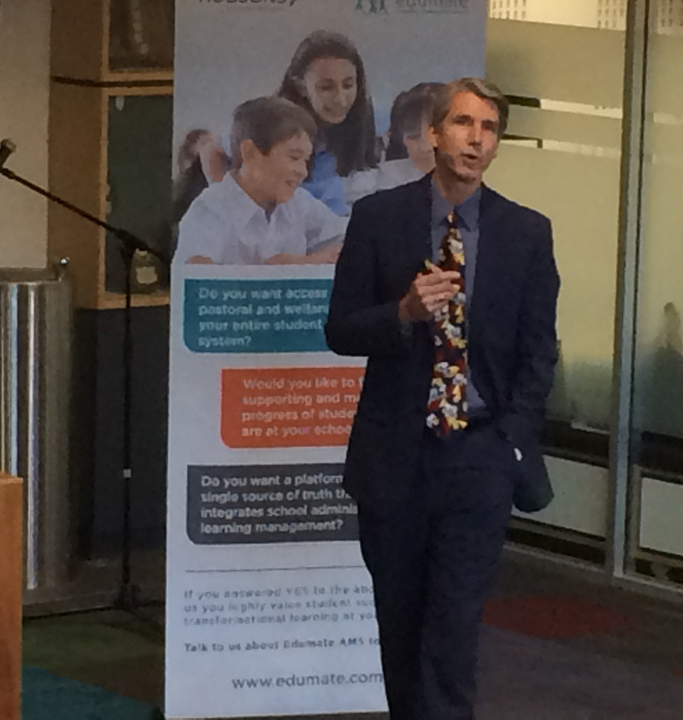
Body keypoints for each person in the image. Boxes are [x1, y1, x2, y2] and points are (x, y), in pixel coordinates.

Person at [325, 77, 560, 720]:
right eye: (462, 124)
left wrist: (510, 438)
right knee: (400, 630)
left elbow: (540, 351)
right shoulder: (380, 218)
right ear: (433, 134)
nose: (475, 140)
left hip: (479, 455)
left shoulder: (526, 233)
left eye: (489, 129)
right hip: (395, 456)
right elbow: (340, 329)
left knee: (453, 634)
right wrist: (402, 312)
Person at [174, 97, 347, 266]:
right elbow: (196, 275)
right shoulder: (211, 210)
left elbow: (352, 239)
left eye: (306, 161)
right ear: (250, 153)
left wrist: (304, 262)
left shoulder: (300, 204)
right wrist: (275, 272)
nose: (303, 172)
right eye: (294, 157)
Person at [278, 30, 380, 215]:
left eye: (348, 85)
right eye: (326, 88)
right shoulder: (274, 131)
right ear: (301, 87)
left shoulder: (367, 121)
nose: (341, 99)